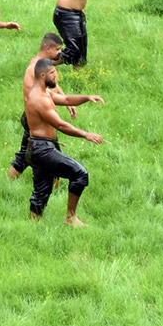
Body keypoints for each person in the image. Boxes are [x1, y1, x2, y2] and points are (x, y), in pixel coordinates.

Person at [8, 33, 101, 179]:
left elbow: (51, 85)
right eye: (57, 49)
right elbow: (37, 99)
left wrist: (65, 100)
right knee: (26, 158)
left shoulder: (44, 65)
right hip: (36, 117)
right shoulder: (34, 68)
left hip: (44, 113)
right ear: (47, 48)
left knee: (45, 157)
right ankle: (10, 184)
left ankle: (51, 190)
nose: (60, 52)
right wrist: (85, 134)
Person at [23, 59, 104, 226]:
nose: (56, 76)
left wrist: (87, 97)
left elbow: (66, 99)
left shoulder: (45, 92)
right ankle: (70, 218)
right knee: (80, 174)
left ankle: (33, 226)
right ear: (43, 75)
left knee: (41, 191)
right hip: (42, 149)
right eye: (53, 73)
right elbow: (60, 124)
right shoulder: (39, 99)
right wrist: (85, 134)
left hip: (39, 147)